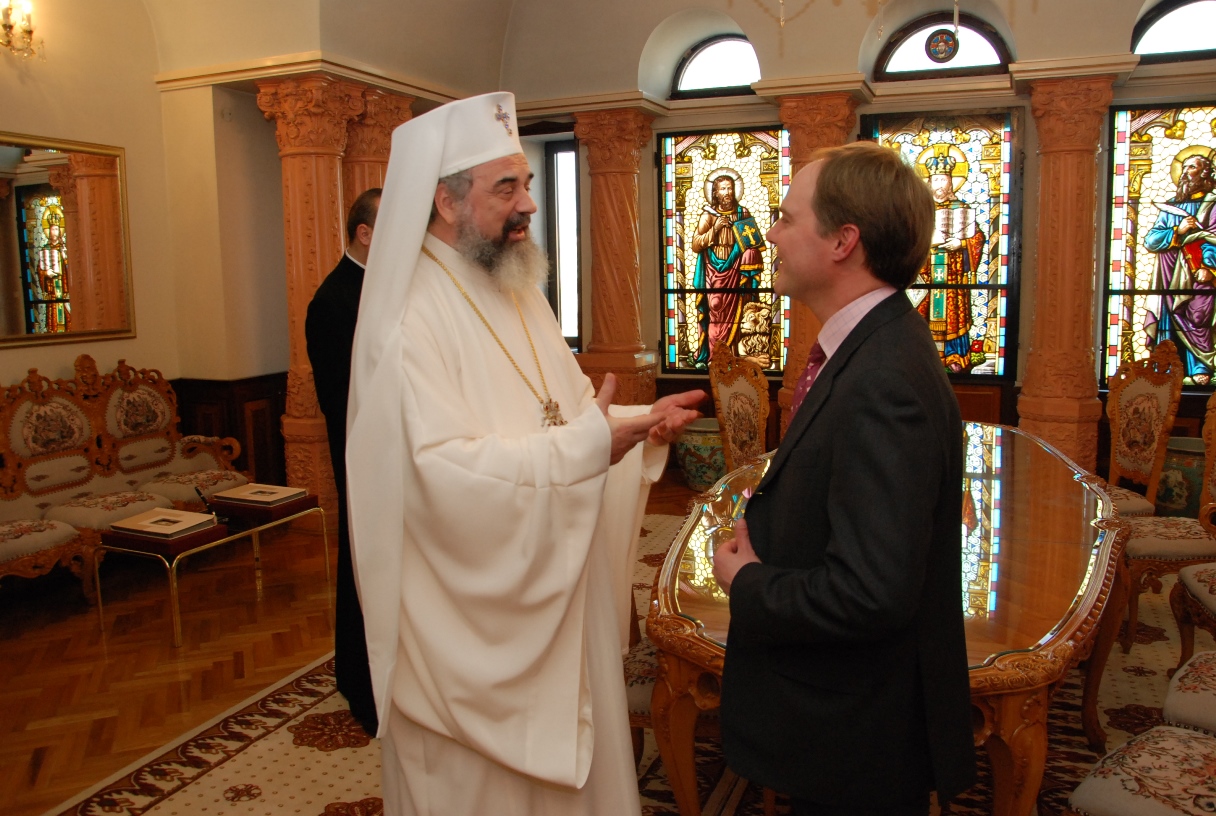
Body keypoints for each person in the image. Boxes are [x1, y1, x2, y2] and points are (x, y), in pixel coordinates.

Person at [344, 92, 704, 816]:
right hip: (471, 624)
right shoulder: (408, 317)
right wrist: (588, 446)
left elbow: (566, 412)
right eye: (506, 187)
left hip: (556, 585)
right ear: (445, 201)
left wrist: (633, 424)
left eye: (528, 183)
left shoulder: (514, 287)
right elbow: (439, 474)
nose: (528, 205)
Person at [712, 141, 976, 815]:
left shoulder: (884, 377)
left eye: (787, 217)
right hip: (847, 720)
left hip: (858, 732)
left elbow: (870, 592)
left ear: (842, 241)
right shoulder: (869, 345)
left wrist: (749, 582)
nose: (770, 234)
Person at [304, 186, 382, 734]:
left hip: (391, 449)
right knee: (362, 565)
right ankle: (360, 683)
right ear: (364, 233)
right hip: (362, 453)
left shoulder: (380, 287)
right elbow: (340, 398)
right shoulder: (332, 301)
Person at [1145, 151, 1216, 384]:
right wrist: (1177, 231)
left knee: (1198, 316)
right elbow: (1151, 241)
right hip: (1169, 274)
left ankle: (1201, 367)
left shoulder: (1213, 204)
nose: (1185, 172)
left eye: (1192, 167)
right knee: (1168, 318)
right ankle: (1166, 366)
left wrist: (1209, 266)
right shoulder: (1171, 208)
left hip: (1198, 271)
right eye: (1183, 167)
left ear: (1205, 174)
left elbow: (1213, 237)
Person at [915, 149, 984, 373]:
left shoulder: (961, 209)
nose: (940, 184)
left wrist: (961, 244)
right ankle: (924, 358)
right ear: (929, 182)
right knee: (923, 314)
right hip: (926, 272)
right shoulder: (919, 211)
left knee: (953, 314)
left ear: (951, 182)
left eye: (944, 179)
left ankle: (955, 356)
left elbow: (977, 238)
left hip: (953, 274)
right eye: (936, 179)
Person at [690, 173, 765, 367]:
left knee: (739, 313)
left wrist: (749, 254)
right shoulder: (708, 215)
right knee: (715, 309)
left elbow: (754, 242)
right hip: (713, 272)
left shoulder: (742, 213)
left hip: (737, 271)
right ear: (715, 193)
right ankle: (715, 358)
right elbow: (696, 244)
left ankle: (737, 357)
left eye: (730, 188)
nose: (727, 192)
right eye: (723, 189)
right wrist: (715, 228)